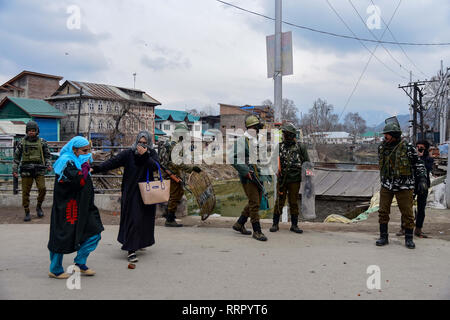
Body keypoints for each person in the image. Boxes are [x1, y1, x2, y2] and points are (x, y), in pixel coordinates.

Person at [92, 131, 159, 263]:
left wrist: (145, 155)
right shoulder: (129, 154)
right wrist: (96, 168)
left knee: (144, 219)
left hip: (146, 192)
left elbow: (154, 167)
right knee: (133, 218)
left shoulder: (151, 154)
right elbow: (113, 162)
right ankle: (131, 249)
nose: (142, 145)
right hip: (131, 192)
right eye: (140, 142)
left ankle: (140, 242)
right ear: (136, 141)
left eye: (145, 143)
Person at [47, 136, 104, 279]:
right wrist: (85, 168)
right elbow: (78, 180)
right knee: (61, 236)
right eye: (84, 150)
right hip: (68, 207)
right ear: (75, 149)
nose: (88, 153)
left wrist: (85, 165)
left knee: (95, 231)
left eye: (89, 150)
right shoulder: (65, 162)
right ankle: (55, 269)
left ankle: (80, 262)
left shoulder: (80, 161)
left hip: (85, 207)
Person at [376, 121, 427, 249]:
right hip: (387, 184)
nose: (384, 137)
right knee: (382, 211)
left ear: (394, 135)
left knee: (407, 213)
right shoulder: (382, 148)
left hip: (404, 186)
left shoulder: (407, 147)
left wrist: (422, 179)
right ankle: (383, 236)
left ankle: (408, 238)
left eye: (387, 135)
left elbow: (418, 164)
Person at [231, 115, 269, 241]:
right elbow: (233, 159)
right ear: (251, 127)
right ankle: (257, 231)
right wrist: (246, 172)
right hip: (249, 177)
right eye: (256, 128)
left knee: (255, 202)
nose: (258, 130)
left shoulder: (256, 140)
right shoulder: (243, 141)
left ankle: (240, 223)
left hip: (258, 175)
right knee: (254, 204)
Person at [158, 123, 201, 227]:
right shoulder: (174, 145)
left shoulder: (171, 142)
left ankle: (168, 214)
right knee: (175, 195)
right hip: (171, 173)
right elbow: (177, 163)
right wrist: (191, 169)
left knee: (179, 192)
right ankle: (170, 219)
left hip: (169, 172)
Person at [270, 122, 310, 234]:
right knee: (279, 201)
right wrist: (276, 171)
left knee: (293, 202)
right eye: (283, 133)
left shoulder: (300, 147)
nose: (284, 135)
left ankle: (294, 225)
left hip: (295, 180)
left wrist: (309, 180)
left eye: (285, 133)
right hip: (282, 180)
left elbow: (307, 163)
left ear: (291, 135)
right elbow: (273, 161)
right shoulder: (280, 146)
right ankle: (275, 224)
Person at [13, 121, 52, 221]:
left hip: (39, 169)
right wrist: (15, 170)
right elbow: (16, 157)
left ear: (37, 131)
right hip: (26, 170)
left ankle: (39, 206)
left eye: (33, 130)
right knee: (25, 192)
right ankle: (27, 211)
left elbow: (47, 155)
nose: (31, 132)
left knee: (42, 188)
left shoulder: (42, 142)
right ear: (27, 131)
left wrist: (48, 165)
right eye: (29, 130)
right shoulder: (22, 142)